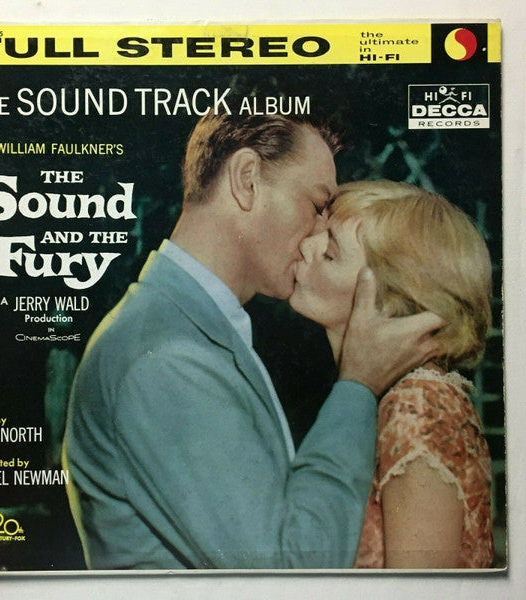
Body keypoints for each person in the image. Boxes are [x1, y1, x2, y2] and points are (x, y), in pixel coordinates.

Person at [62, 112, 443, 569]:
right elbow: (291, 572)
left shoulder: (190, 328)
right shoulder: (166, 357)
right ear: (246, 180)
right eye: (317, 205)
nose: (318, 235)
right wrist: (357, 385)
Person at [289, 179, 494, 568]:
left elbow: (418, 589)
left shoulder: (418, 405)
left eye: (330, 253)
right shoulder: (391, 396)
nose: (305, 246)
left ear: (392, 305)